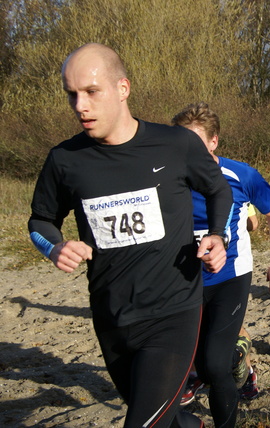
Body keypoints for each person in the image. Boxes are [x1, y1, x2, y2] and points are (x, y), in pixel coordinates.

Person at [28, 43, 233, 428]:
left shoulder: (176, 144)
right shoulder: (65, 159)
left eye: (91, 92)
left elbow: (218, 189)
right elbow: (39, 221)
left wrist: (218, 236)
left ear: (123, 88)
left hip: (173, 311)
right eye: (71, 94)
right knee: (164, 419)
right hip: (112, 316)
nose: (80, 106)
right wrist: (53, 247)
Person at [172, 102, 270, 427]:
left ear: (214, 142)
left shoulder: (240, 174)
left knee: (214, 365)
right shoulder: (166, 179)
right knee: (198, 364)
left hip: (230, 277)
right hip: (184, 281)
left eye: (195, 142)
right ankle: (243, 362)